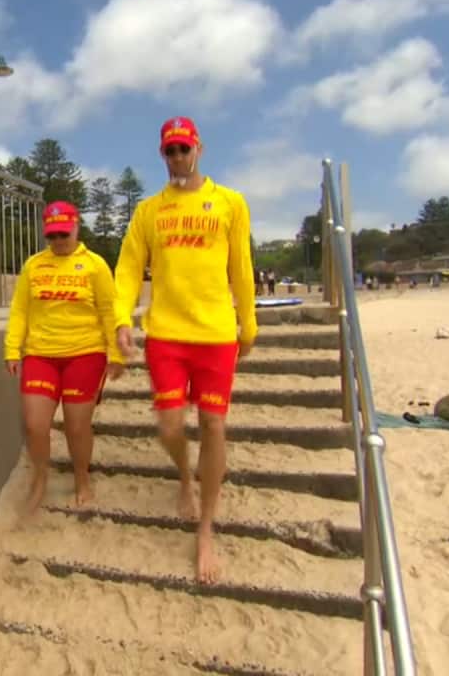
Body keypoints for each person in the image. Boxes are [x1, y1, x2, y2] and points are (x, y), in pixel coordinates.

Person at [113, 116, 258, 584]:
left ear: (199, 148)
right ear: (162, 155)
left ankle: (206, 530)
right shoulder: (149, 211)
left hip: (215, 334)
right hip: (167, 334)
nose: (177, 157)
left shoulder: (231, 203)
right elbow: (129, 269)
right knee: (171, 425)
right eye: (169, 151)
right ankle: (184, 474)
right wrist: (121, 321)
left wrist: (249, 321)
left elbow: (242, 267)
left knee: (214, 424)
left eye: (183, 148)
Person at [4, 200, 125, 519]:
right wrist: (12, 348)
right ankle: (39, 480)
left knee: (76, 425)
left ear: (76, 228)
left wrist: (115, 354)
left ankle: (82, 478)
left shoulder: (96, 265)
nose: (59, 242)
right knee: (34, 425)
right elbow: (20, 310)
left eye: (64, 234)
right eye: (53, 236)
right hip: (41, 354)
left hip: (85, 353)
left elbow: (109, 311)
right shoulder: (33, 265)